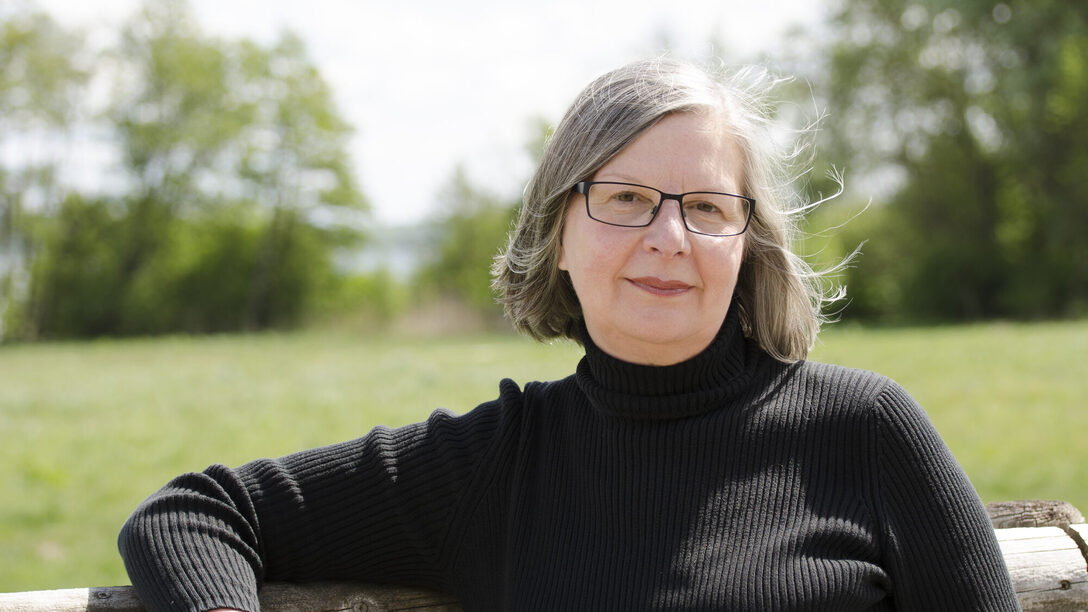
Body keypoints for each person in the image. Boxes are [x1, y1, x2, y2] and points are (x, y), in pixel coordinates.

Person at [118, 58, 1019, 611]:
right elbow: (194, 514)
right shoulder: (497, 467)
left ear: (747, 245)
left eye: (707, 206)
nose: (669, 237)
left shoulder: (865, 434)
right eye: (625, 199)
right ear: (558, 236)